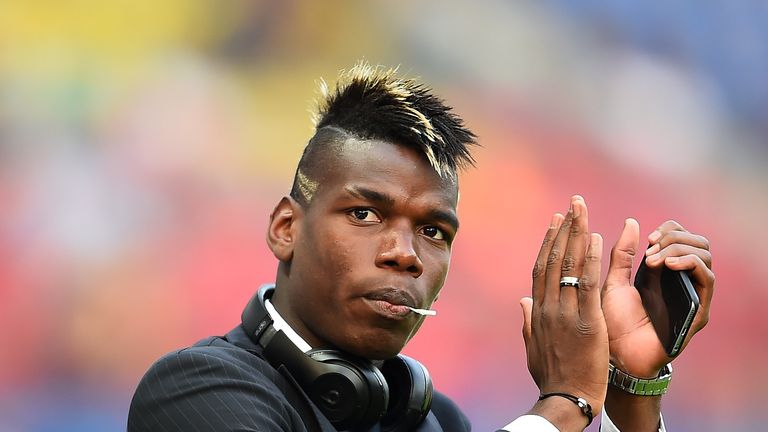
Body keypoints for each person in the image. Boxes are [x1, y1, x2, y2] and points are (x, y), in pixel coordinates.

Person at [127, 62, 715, 431]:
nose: (405, 253)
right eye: (364, 213)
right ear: (286, 228)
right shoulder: (195, 391)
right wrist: (561, 407)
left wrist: (630, 394)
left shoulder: (433, 420)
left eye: (434, 231)